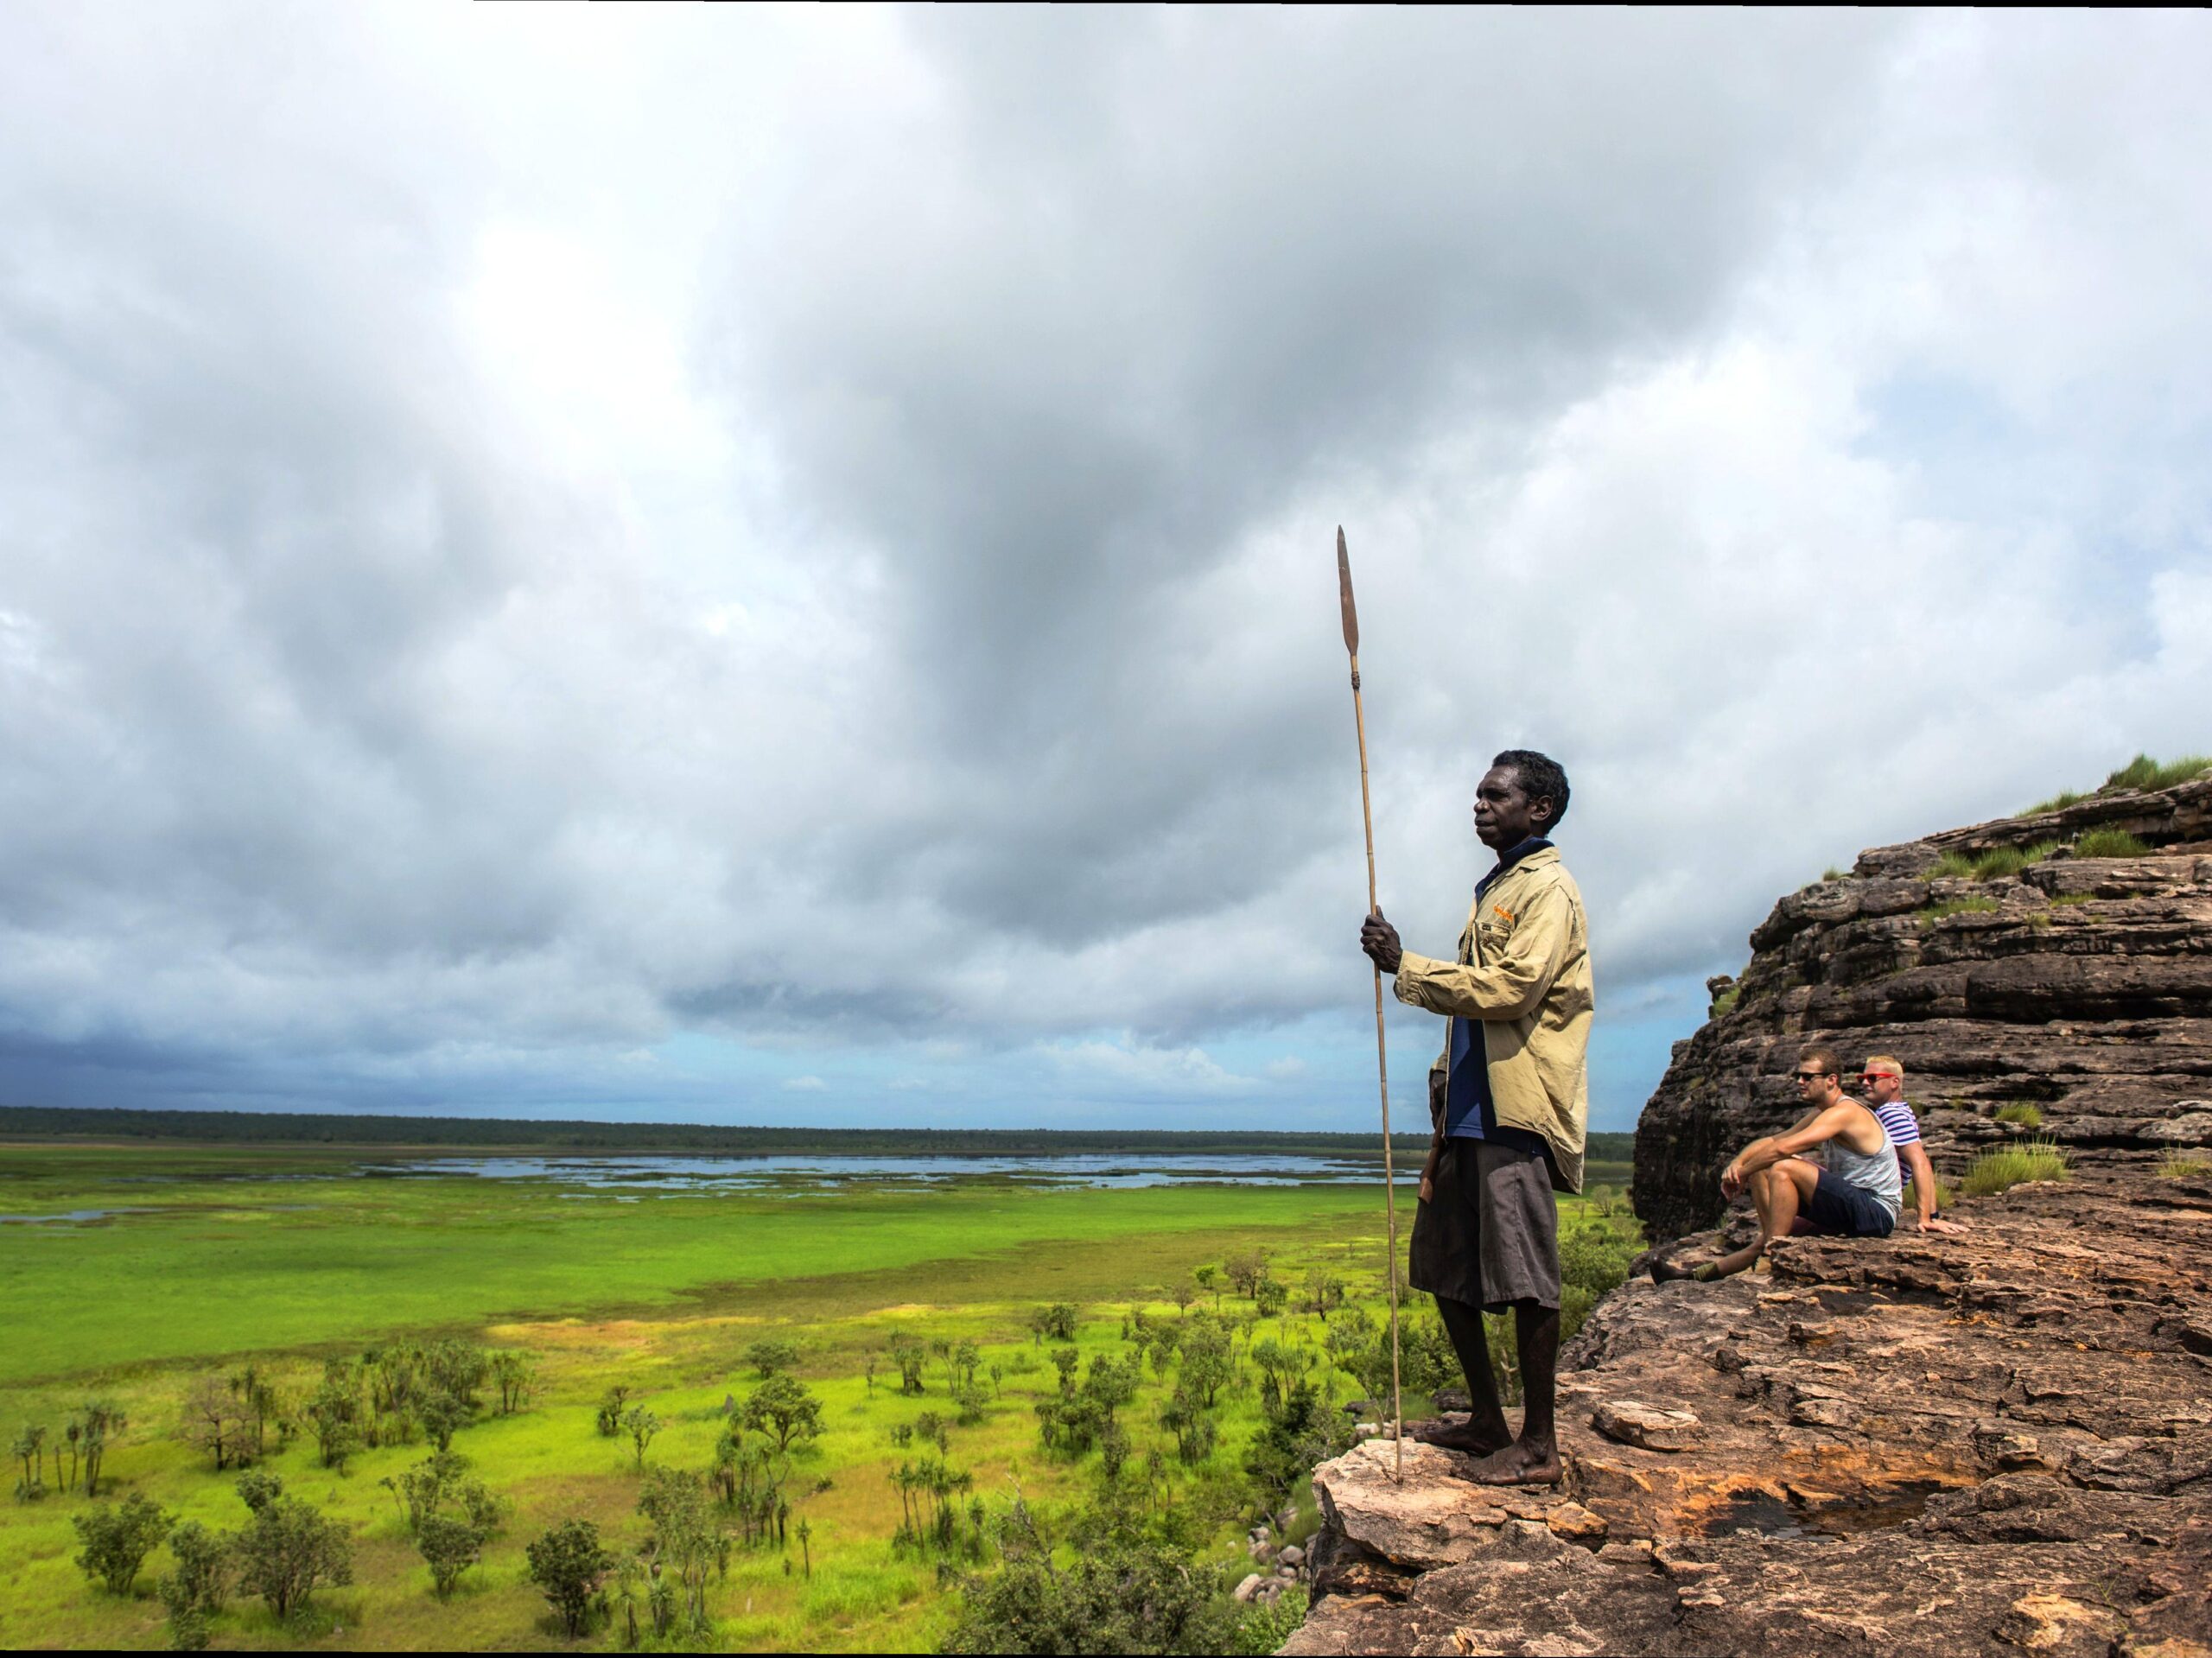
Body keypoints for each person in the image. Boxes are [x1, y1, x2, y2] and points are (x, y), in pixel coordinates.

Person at [1358, 749, 1592, 1487]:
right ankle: (1489, 1420)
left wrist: (1408, 966)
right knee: (1443, 1267)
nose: (1479, 805)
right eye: (1479, 794)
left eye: (1496, 795)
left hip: (1513, 1113)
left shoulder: (1547, 889)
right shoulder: (1498, 886)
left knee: (1526, 1277)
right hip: (1463, 1111)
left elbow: (1515, 988)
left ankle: (1540, 1444)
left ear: (1539, 809)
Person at [1655, 1045, 1900, 1281]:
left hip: (1876, 1212)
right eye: (1798, 1076)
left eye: (1807, 1076)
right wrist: (1740, 1162)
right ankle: (1693, 1275)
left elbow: (1786, 1148)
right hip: (1853, 1205)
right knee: (1764, 1171)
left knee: (1784, 1167)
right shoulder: (1823, 1112)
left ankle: (1771, 1254)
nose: (1799, 1082)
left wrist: (1741, 1173)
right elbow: (1774, 1140)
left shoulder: (1845, 1112)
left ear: (1831, 1080)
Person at [1859, 1055, 1967, 1236]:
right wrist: (1933, 1215)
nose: (1864, 1083)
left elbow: (1920, 1163)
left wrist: (1924, 1219)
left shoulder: (1891, 1113)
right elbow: (1924, 1164)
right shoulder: (1901, 1109)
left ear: (1894, 1082)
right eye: (1861, 1078)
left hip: (1869, 1203)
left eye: (1872, 1078)